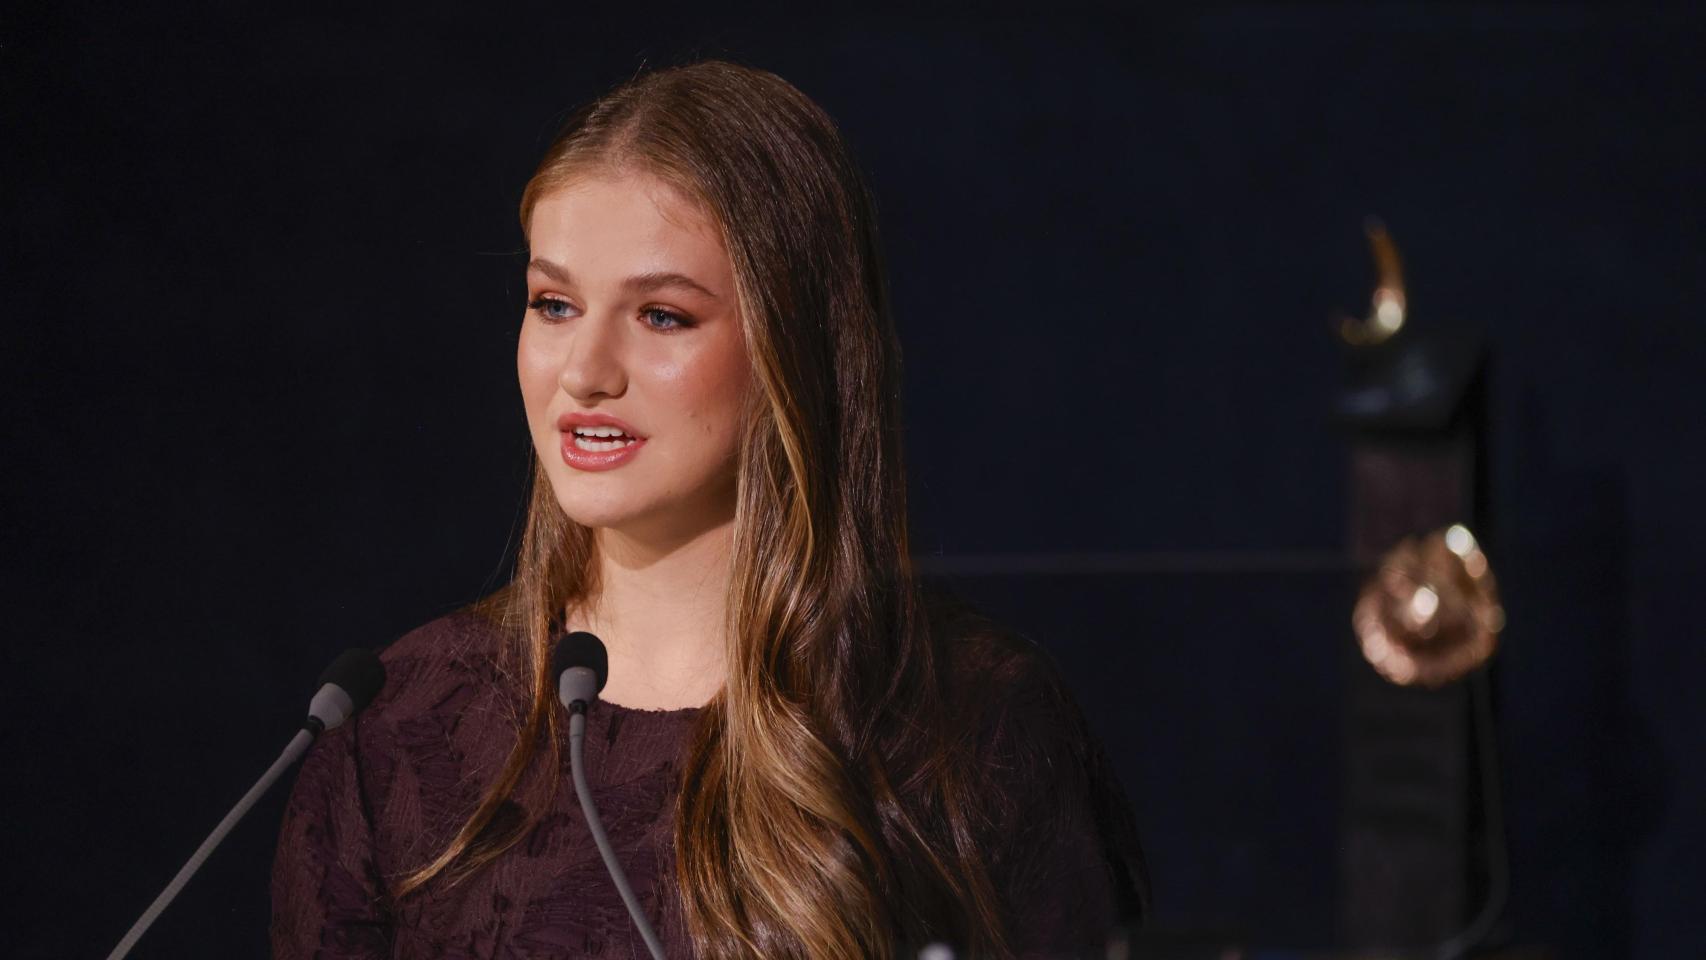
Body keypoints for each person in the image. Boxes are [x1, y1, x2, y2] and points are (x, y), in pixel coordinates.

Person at [270, 60, 1148, 959]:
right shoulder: (392, 729)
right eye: (555, 304)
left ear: (791, 347)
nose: (584, 372)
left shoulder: (970, 723)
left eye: (660, 316)